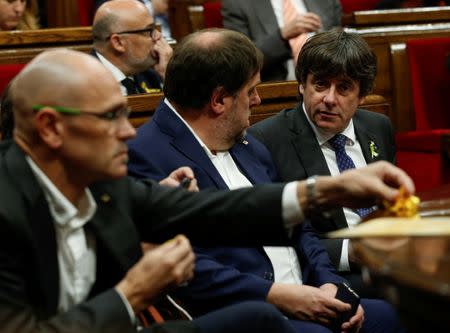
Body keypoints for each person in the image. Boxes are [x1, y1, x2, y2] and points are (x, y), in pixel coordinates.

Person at [0, 47, 415, 333]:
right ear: (51, 128)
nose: (127, 132)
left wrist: (325, 191)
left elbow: (216, 211)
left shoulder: (101, 184)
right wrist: (132, 293)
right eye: (110, 117)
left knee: (265, 322)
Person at [127, 28, 404, 333]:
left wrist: (330, 283)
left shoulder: (248, 146)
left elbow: (301, 229)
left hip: (306, 296)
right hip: (249, 313)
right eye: (251, 91)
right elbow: (185, 267)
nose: (258, 101)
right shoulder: (145, 155)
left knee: (390, 316)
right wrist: (280, 296)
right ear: (219, 100)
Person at [249, 28, 396, 295]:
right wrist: (351, 251)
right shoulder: (266, 140)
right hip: (324, 278)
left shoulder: (378, 127)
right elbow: (276, 242)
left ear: (362, 96)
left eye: (343, 88)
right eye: (320, 84)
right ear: (302, 84)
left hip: (389, 264)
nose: (329, 99)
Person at [221, 0, 342, 81]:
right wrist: (282, 35)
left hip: (328, 78)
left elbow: (340, 42)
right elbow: (241, 61)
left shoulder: (326, 2)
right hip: (277, 86)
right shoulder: (237, 3)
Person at [92, 0, 173, 95]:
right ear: (118, 43)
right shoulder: (85, 86)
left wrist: (169, 76)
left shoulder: (152, 74)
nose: (158, 36)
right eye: (149, 31)